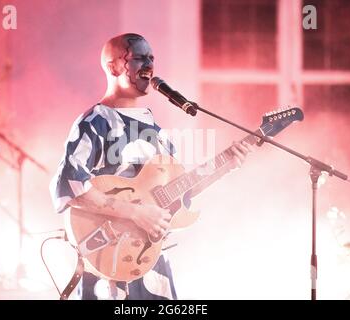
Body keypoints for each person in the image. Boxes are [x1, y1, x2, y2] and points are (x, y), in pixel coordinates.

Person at [49, 33, 251, 300]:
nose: (149, 65)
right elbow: (69, 186)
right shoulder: (95, 121)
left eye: (152, 58)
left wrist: (224, 166)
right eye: (139, 58)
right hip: (110, 259)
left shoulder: (154, 129)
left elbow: (177, 192)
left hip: (150, 261)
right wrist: (134, 213)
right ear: (113, 67)